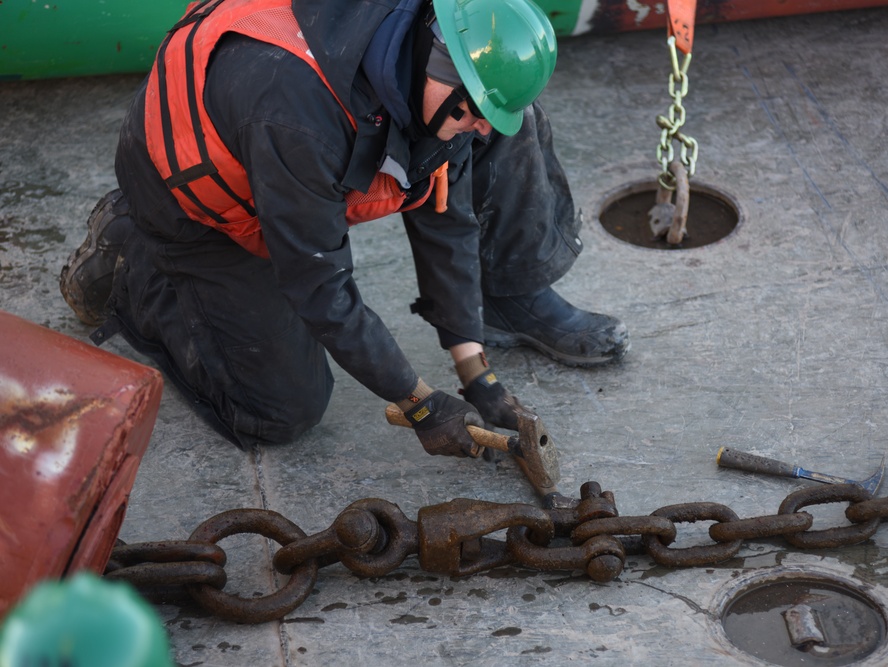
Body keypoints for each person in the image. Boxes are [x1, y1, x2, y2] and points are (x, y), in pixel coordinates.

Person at [59, 0, 629, 457]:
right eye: (470, 110)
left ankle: (506, 297)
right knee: (281, 411)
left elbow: (443, 215)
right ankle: (136, 258)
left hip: (287, 163)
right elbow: (321, 287)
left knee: (503, 128)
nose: (477, 128)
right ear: (438, 63)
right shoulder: (299, 117)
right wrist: (420, 402)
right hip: (193, 200)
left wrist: (473, 369)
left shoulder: (431, 55)